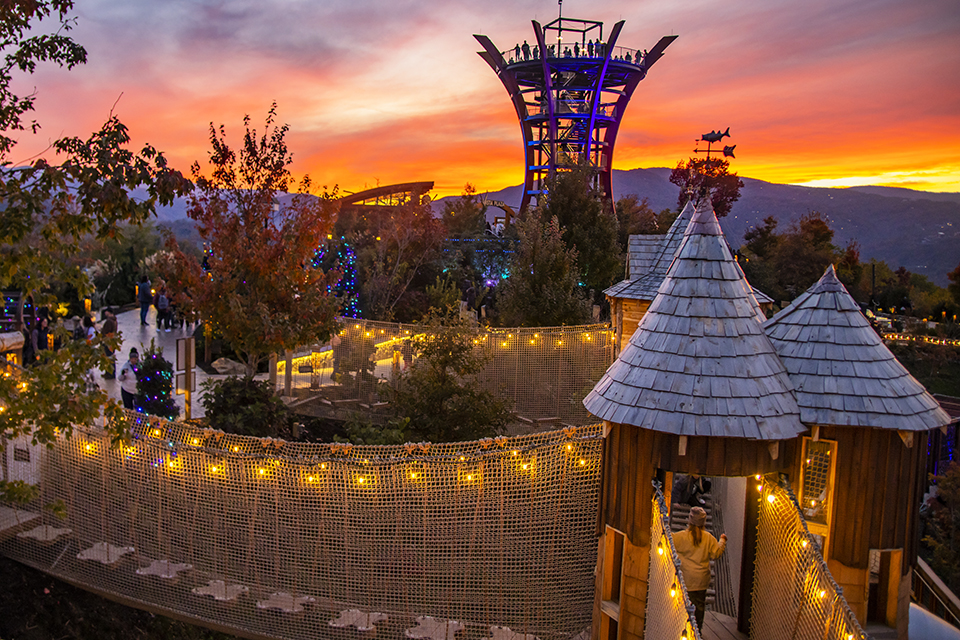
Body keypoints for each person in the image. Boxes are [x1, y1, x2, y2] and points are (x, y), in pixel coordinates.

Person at [674, 506, 726, 629]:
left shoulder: (681, 537)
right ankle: (697, 631)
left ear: (690, 520)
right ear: (703, 522)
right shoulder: (708, 538)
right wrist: (722, 541)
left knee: (685, 606)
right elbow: (716, 553)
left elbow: (668, 541)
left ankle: (685, 630)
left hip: (687, 579)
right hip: (702, 580)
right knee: (700, 607)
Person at [101, 309, 118, 379]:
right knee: (110, 357)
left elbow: (106, 331)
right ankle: (110, 372)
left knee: (108, 357)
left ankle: (110, 373)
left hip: (108, 342)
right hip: (112, 341)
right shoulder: (114, 320)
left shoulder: (109, 321)